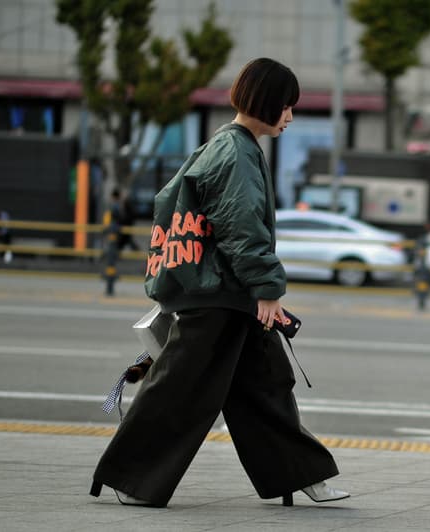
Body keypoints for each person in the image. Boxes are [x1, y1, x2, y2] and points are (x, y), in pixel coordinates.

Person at [90, 58, 348, 509]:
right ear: (264, 102)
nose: (290, 116)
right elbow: (241, 227)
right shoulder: (235, 152)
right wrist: (267, 288)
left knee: (266, 386)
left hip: (228, 294)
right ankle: (129, 478)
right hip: (218, 297)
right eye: (285, 106)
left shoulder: (233, 146)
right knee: (181, 390)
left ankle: (302, 476)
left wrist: (259, 290)